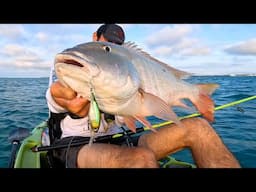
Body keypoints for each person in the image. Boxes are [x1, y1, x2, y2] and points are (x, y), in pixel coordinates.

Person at [46, 24, 241, 168]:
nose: (113, 47)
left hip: (122, 140)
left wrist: (193, 94)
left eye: (117, 45)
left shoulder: (127, 64)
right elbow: (61, 93)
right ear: (95, 36)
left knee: (200, 128)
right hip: (76, 147)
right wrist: (76, 96)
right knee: (140, 160)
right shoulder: (70, 75)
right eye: (107, 45)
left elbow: (139, 106)